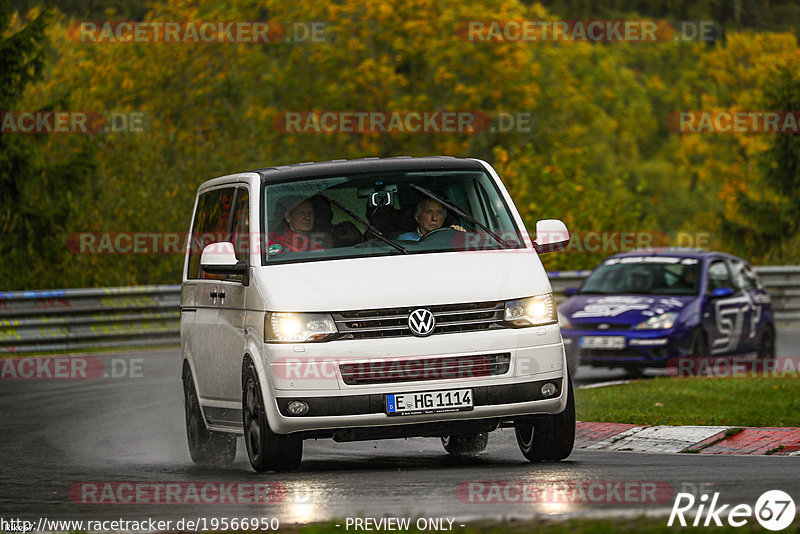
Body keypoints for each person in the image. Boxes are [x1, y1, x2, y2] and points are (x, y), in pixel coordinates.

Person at [397, 198, 464, 241]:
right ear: (417, 217)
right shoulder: (406, 240)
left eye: (439, 212)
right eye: (429, 212)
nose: (434, 218)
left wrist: (459, 235)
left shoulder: (450, 238)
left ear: (444, 217)